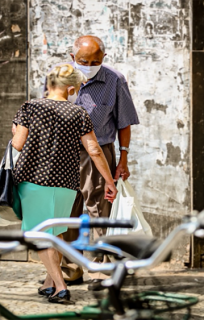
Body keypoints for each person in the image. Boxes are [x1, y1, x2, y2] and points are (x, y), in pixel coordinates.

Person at [11, 64, 117, 303]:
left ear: (49, 85)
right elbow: (94, 150)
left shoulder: (30, 107)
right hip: (67, 183)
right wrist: (109, 181)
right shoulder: (78, 113)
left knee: (41, 234)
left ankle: (60, 287)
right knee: (56, 233)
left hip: (34, 180)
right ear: (71, 89)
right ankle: (49, 282)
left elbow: (17, 144)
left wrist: (15, 129)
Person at [54, 35, 139, 289]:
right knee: (65, 213)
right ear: (72, 58)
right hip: (63, 154)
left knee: (100, 211)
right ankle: (70, 270)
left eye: (95, 60)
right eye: (83, 61)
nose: (89, 64)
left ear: (103, 58)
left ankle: (102, 269)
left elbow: (124, 123)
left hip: (99, 153)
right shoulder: (59, 77)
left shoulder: (114, 80)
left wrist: (123, 158)